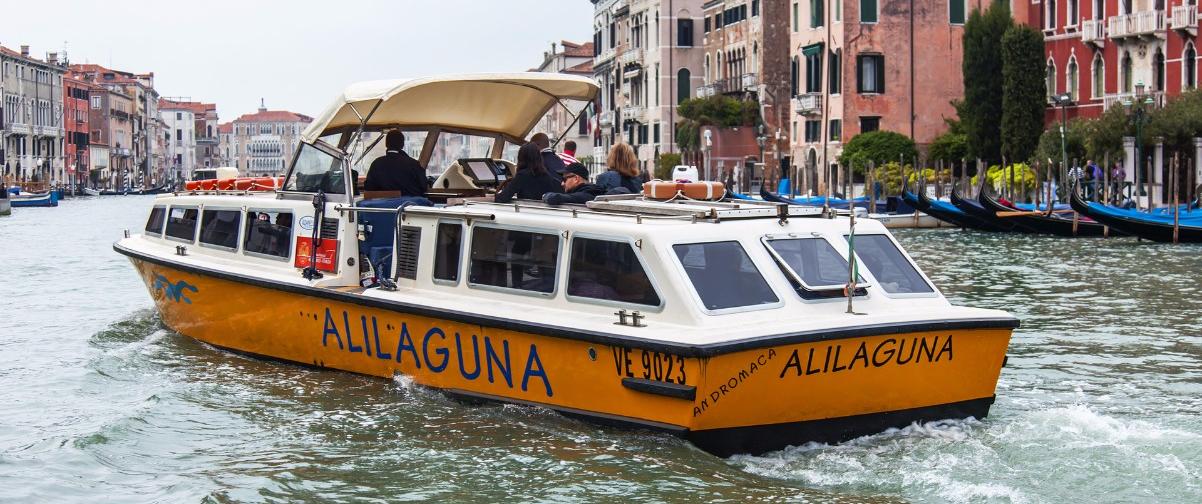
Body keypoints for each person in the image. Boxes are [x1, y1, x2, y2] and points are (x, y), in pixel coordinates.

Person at [363, 131, 428, 196]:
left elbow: (369, 187)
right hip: (410, 204)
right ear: (402, 144)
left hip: (383, 205)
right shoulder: (413, 163)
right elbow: (423, 186)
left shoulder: (376, 164)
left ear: (386, 144)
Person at [495, 143, 562, 203]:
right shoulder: (547, 176)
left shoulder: (522, 176)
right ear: (539, 157)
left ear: (521, 158)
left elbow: (502, 198)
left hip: (526, 211)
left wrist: (495, 195)